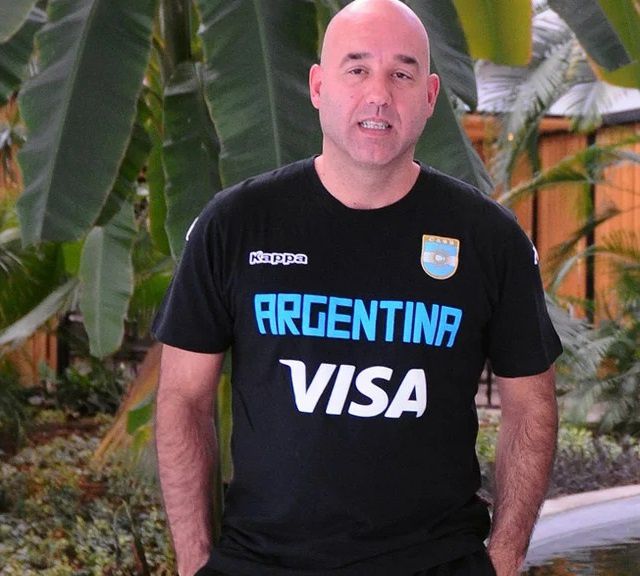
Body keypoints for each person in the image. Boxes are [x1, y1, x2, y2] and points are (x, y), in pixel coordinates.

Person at [152, 0, 562, 575]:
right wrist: (194, 560)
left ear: (430, 96)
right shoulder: (236, 224)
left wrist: (506, 555)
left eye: (401, 74)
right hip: (262, 561)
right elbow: (182, 398)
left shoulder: (489, 239)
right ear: (318, 86)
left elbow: (531, 403)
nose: (379, 94)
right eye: (357, 69)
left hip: (435, 562)